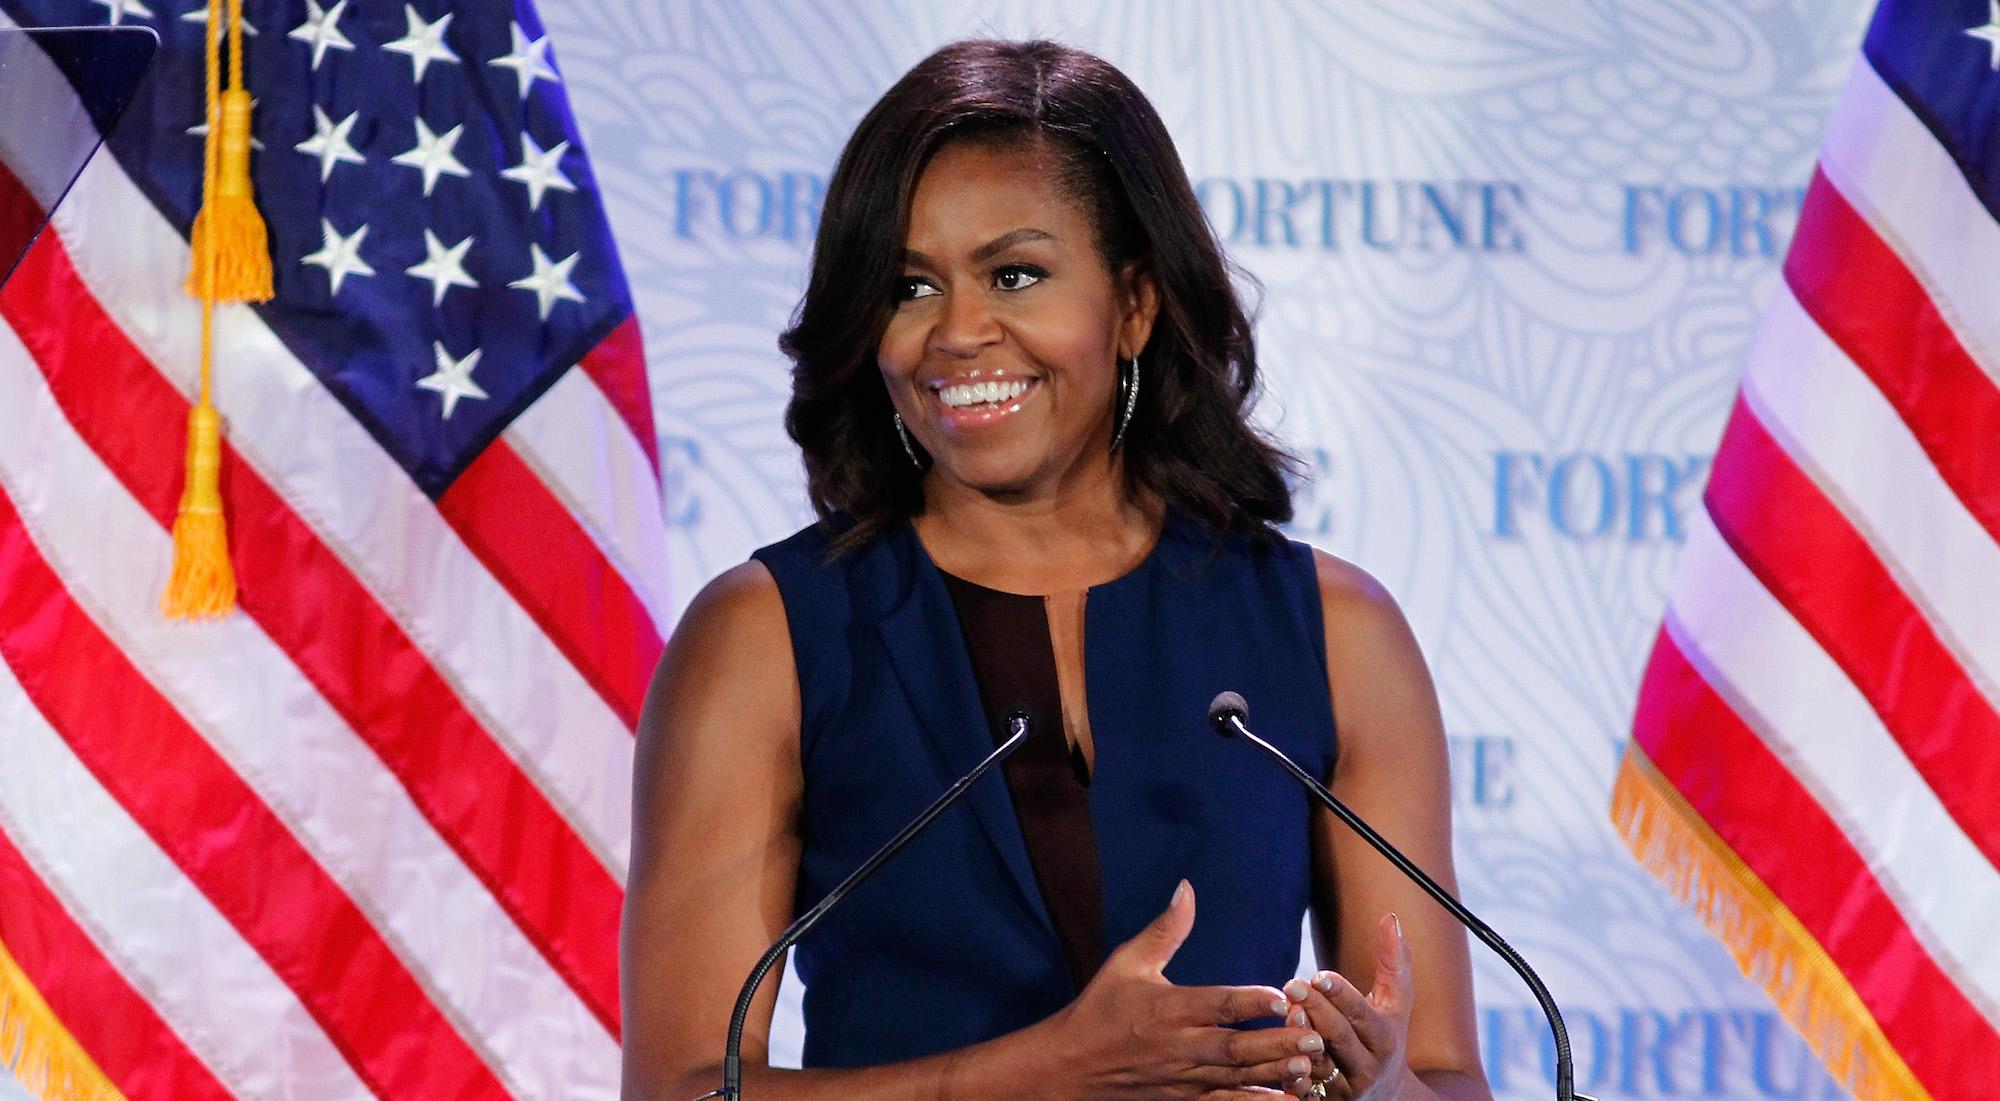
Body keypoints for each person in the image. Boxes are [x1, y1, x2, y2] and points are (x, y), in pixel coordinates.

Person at [622, 38, 1491, 1101]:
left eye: (1014, 274)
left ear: (1132, 304)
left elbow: (1444, 1076)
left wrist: (1385, 1085)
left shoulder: (1332, 629)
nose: (957, 332)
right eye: (908, 285)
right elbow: (678, 1088)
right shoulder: (766, 637)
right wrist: (1054, 1071)